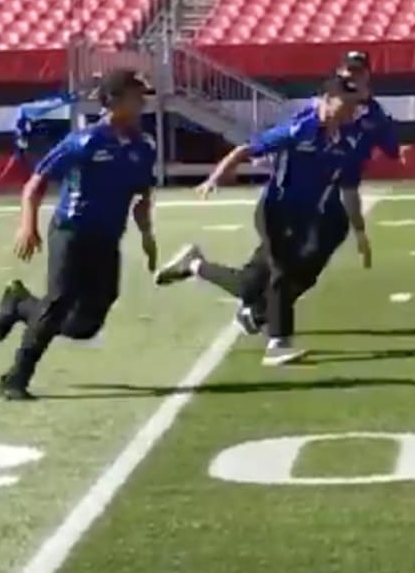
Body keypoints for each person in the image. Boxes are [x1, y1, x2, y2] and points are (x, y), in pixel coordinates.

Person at [156, 74, 366, 367]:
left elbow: (343, 182)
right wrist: (214, 179)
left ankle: (195, 266)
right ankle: (278, 342)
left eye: (354, 104)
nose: (351, 110)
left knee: (248, 286)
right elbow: (246, 149)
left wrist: (356, 228)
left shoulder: (343, 138)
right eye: (346, 103)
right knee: (282, 270)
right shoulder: (300, 128)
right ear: (327, 100)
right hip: (274, 212)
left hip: (303, 220)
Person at [0, 69, 158, 401]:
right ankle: (16, 378)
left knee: (86, 324)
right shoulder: (85, 140)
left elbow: (142, 195)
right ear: (115, 99)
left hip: (107, 237)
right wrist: (28, 224)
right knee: (58, 301)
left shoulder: (143, 145)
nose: (142, 101)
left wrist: (148, 235)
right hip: (71, 230)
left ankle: (20, 304)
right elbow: (35, 183)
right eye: (136, 94)